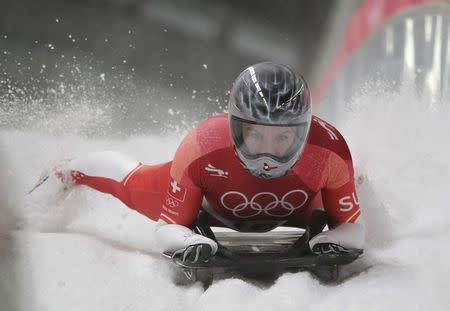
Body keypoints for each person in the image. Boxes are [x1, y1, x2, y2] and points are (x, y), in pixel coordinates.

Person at [28, 62, 364, 263]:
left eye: (282, 138)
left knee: (358, 179)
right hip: (205, 201)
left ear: (303, 133)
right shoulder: (203, 146)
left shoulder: (329, 151)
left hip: (302, 203)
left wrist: (343, 232)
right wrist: (184, 240)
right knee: (132, 183)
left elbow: (353, 229)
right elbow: (169, 228)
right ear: (235, 128)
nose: (267, 154)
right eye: (256, 136)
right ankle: (67, 170)